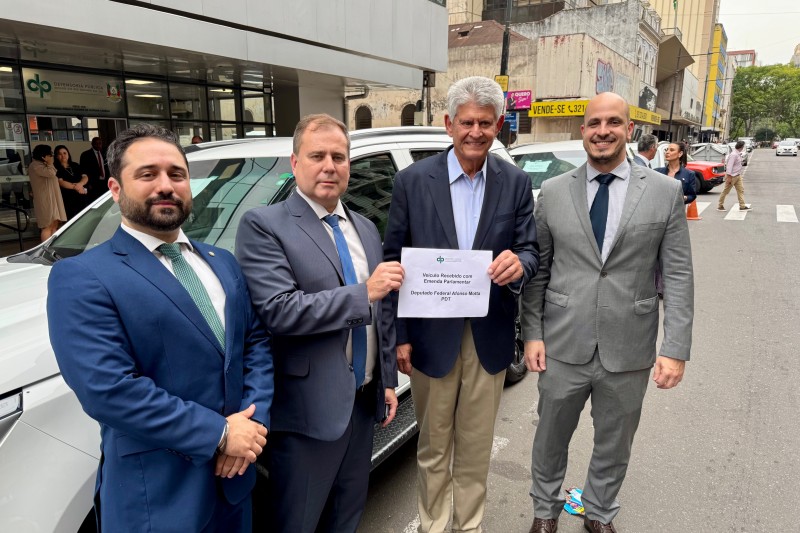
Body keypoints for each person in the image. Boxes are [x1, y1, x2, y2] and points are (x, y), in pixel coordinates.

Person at [47, 124, 274, 532]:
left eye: (177, 174)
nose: (166, 186)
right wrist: (220, 434)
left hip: (236, 482)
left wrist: (254, 425)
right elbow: (109, 389)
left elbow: (254, 344)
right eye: (148, 174)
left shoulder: (222, 260)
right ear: (115, 189)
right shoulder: (81, 276)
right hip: (157, 498)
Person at [521, 92, 694, 533]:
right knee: (550, 436)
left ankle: (598, 511)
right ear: (583, 131)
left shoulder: (664, 192)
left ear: (629, 128)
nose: (603, 131)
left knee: (615, 441)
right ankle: (545, 510)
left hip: (629, 345)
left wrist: (675, 348)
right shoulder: (555, 192)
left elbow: (677, 275)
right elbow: (538, 272)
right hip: (562, 342)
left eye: (613, 122)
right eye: (594, 123)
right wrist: (532, 334)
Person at [382, 76, 540, 533]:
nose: (476, 132)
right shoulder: (412, 181)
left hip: (488, 335)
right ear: (449, 124)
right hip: (431, 337)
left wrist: (520, 264)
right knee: (433, 447)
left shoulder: (514, 181)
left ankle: (468, 526)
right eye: (467, 122)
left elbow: (530, 249)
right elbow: (394, 260)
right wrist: (402, 337)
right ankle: (434, 526)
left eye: (485, 123)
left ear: (499, 127)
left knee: (474, 446)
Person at [235, 113, 404, 533]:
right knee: (298, 521)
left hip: (364, 406)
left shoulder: (364, 227)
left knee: (347, 516)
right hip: (307, 414)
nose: (330, 165)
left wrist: (384, 379)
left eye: (339, 157)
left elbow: (380, 313)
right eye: (317, 156)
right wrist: (363, 292)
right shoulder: (264, 225)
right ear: (295, 163)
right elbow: (279, 310)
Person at [27, 144, 66, 241]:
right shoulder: (35, 165)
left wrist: (49, 163)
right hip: (45, 200)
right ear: (43, 156)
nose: (52, 156)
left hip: (53, 198)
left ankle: (52, 246)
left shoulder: (44, 165)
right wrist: (50, 163)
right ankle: (44, 249)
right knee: (47, 226)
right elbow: (51, 173)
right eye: (50, 154)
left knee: (54, 225)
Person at [53, 144, 89, 219]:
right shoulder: (55, 168)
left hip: (81, 196)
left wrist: (80, 184)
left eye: (64, 153)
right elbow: (60, 182)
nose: (63, 155)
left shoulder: (75, 165)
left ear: (68, 154)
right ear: (56, 156)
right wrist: (76, 187)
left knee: (83, 218)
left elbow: (85, 177)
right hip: (67, 199)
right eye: (59, 154)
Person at [717, 140, 750, 211]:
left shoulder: (737, 154)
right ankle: (720, 205)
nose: (743, 148)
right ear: (741, 147)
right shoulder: (733, 155)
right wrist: (729, 177)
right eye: (743, 146)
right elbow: (729, 166)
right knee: (726, 191)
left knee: (741, 190)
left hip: (738, 176)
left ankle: (742, 206)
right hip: (732, 176)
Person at [80, 136, 110, 201]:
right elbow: (84, 171)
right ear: (92, 144)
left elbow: (108, 167)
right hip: (94, 184)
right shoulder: (85, 155)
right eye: (96, 143)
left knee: (105, 200)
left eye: (100, 143)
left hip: (105, 182)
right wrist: (88, 184)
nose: (98, 145)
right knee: (95, 200)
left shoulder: (105, 153)